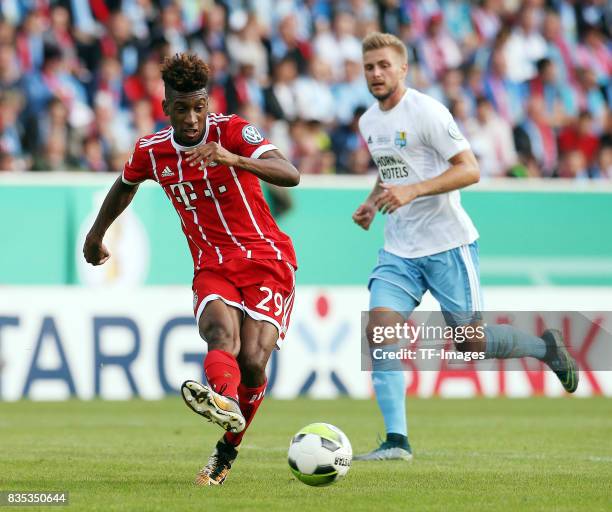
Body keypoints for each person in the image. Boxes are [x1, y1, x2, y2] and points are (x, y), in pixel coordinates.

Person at [351, 33, 578, 461]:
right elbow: (390, 169)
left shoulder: (428, 112)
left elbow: (470, 169)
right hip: (400, 249)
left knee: (469, 342)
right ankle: (397, 442)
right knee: (379, 331)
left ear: (403, 69)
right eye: (369, 67)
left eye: (384, 65)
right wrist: (370, 202)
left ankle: (546, 348)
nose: (376, 73)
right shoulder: (368, 122)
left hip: (448, 245)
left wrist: (415, 191)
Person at [83, 53, 299, 485]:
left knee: (254, 362)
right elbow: (124, 185)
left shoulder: (233, 131)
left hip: (267, 261)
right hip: (212, 265)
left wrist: (233, 159)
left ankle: (225, 451)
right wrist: (96, 234)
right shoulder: (153, 151)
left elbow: (288, 173)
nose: (191, 117)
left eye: (198, 106)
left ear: (208, 102)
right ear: (167, 108)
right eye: (181, 108)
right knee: (221, 335)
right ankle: (221, 397)